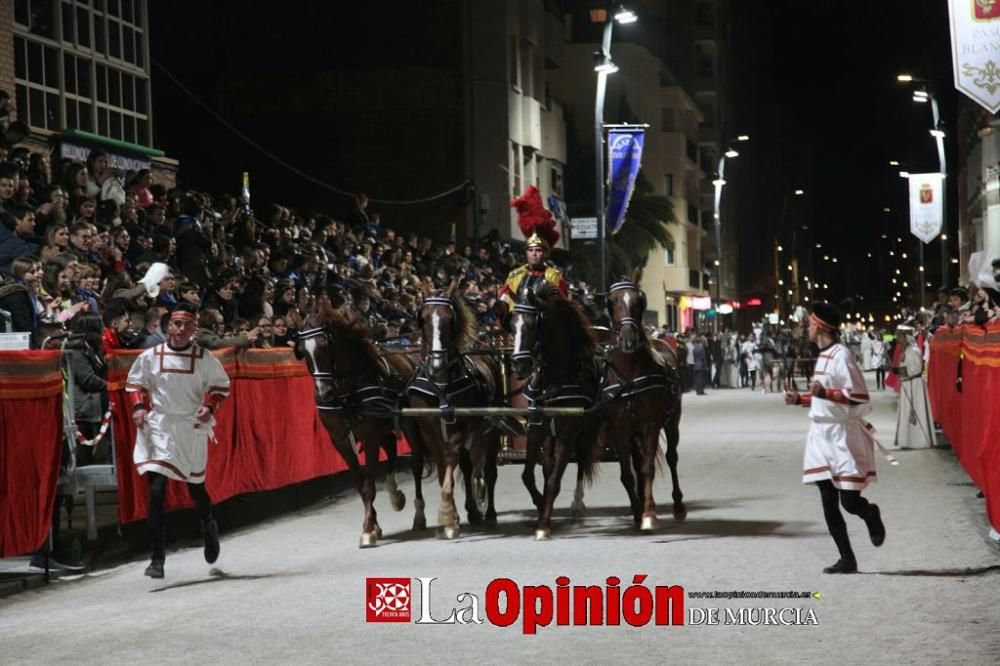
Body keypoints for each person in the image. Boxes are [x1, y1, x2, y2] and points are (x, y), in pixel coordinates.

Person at [125, 303, 231, 579]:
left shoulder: (204, 358)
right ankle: (157, 558)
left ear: (194, 328)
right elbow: (135, 384)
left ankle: (208, 523)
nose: (181, 330)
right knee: (157, 491)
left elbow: (221, 386)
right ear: (168, 326)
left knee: (196, 489)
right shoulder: (151, 356)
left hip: (190, 427)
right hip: (159, 426)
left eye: (187, 325)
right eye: (176, 324)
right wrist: (138, 407)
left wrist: (209, 406)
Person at [784, 302, 885, 574]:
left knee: (849, 502)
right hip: (820, 435)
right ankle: (847, 559)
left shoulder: (841, 356)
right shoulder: (821, 356)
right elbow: (824, 397)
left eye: (810, 323)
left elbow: (860, 397)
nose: (806, 327)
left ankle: (869, 514)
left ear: (820, 326)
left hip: (841, 435)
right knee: (827, 499)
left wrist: (824, 394)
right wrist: (800, 399)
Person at [497, 186, 567, 310]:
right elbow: (505, 301)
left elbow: (561, 306)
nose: (534, 254)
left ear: (545, 253)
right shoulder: (514, 275)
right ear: (526, 252)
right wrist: (501, 302)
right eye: (531, 250)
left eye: (538, 250)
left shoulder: (554, 276)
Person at [892, 325, 934, 449]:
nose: (897, 339)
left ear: (906, 337)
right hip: (907, 385)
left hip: (914, 386)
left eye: (899, 336)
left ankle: (918, 441)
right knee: (906, 412)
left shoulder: (913, 351)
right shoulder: (905, 350)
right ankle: (907, 440)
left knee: (915, 411)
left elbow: (916, 369)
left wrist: (900, 371)